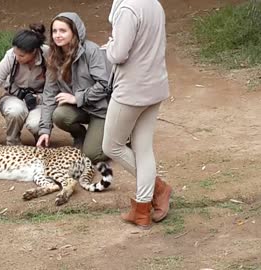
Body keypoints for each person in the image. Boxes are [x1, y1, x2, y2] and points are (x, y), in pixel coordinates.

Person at [102, 0, 173, 229]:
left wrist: (109, 46)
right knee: (143, 149)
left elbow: (119, 54)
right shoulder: (154, 4)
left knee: (111, 146)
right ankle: (142, 209)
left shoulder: (127, 9)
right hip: (155, 86)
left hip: (132, 90)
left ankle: (158, 189)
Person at [36, 12, 112, 165]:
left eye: (63, 31)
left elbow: (105, 85)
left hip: (101, 110)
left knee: (92, 155)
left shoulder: (91, 50)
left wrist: (77, 98)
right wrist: (44, 130)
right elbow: (49, 93)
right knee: (60, 115)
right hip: (81, 108)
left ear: (75, 31)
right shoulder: (54, 55)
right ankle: (81, 135)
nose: (57, 35)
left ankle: (119, 138)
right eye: (55, 31)